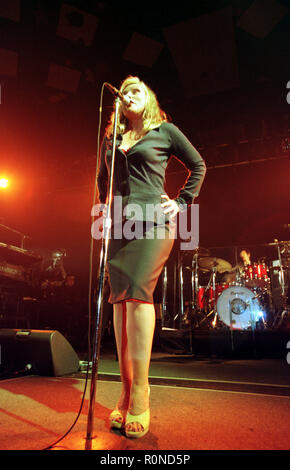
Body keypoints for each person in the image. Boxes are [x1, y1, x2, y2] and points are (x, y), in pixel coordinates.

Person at [97, 75, 206, 438]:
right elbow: (103, 183)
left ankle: (142, 389)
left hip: (154, 223)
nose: (128, 95)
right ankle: (125, 390)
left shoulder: (165, 131)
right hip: (118, 225)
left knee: (138, 295)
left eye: (136, 91)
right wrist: (103, 213)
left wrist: (181, 202)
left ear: (149, 99)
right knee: (118, 302)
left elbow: (199, 165)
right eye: (124, 92)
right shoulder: (111, 139)